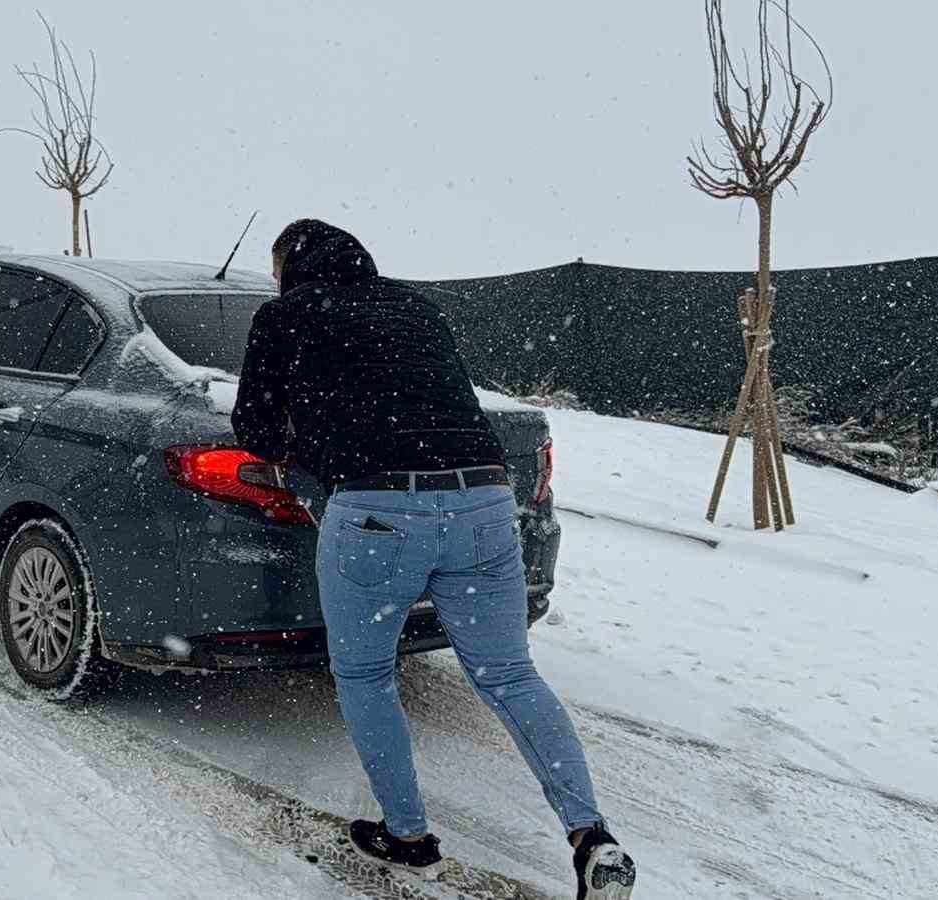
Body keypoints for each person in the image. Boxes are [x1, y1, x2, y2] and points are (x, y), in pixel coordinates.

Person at [233, 219, 636, 898]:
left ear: (289, 267)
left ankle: (410, 840)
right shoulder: (417, 307)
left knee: (365, 676)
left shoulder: (286, 315)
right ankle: (592, 837)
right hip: (483, 503)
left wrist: (312, 448)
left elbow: (256, 427)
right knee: (509, 675)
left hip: (376, 512)